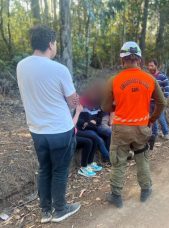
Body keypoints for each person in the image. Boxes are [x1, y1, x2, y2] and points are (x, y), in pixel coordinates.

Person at [16, 25, 80, 223]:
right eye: (56, 43)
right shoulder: (59, 69)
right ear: (50, 44)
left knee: (44, 168)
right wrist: (76, 102)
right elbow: (73, 102)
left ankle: (45, 211)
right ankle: (60, 209)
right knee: (60, 170)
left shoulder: (21, 66)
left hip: (37, 129)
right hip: (60, 129)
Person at [102, 41, 166, 208]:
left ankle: (116, 195)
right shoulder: (150, 79)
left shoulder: (114, 80)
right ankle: (145, 190)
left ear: (122, 59)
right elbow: (162, 102)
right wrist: (151, 120)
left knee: (119, 161)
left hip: (121, 130)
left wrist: (117, 105)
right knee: (142, 158)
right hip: (141, 129)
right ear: (139, 59)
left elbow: (105, 107)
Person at [73, 104, 103, 178]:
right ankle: (83, 167)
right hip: (69, 135)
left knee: (94, 138)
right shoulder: (69, 110)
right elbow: (75, 123)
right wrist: (78, 112)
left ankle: (90, 163)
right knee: (88, 142)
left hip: (74, 131)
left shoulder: (73, 108)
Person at [147, 59, 169, 141]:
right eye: (149, 66)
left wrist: (165, 99)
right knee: (152, 118)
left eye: (152, 66)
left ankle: (166, 133)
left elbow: (167, 88)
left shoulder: (162, 76)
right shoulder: (148, 77)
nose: (150, 67)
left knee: (160, 117)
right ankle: (154, 134)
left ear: (156, 66)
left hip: (159, 102)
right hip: (150, 102)